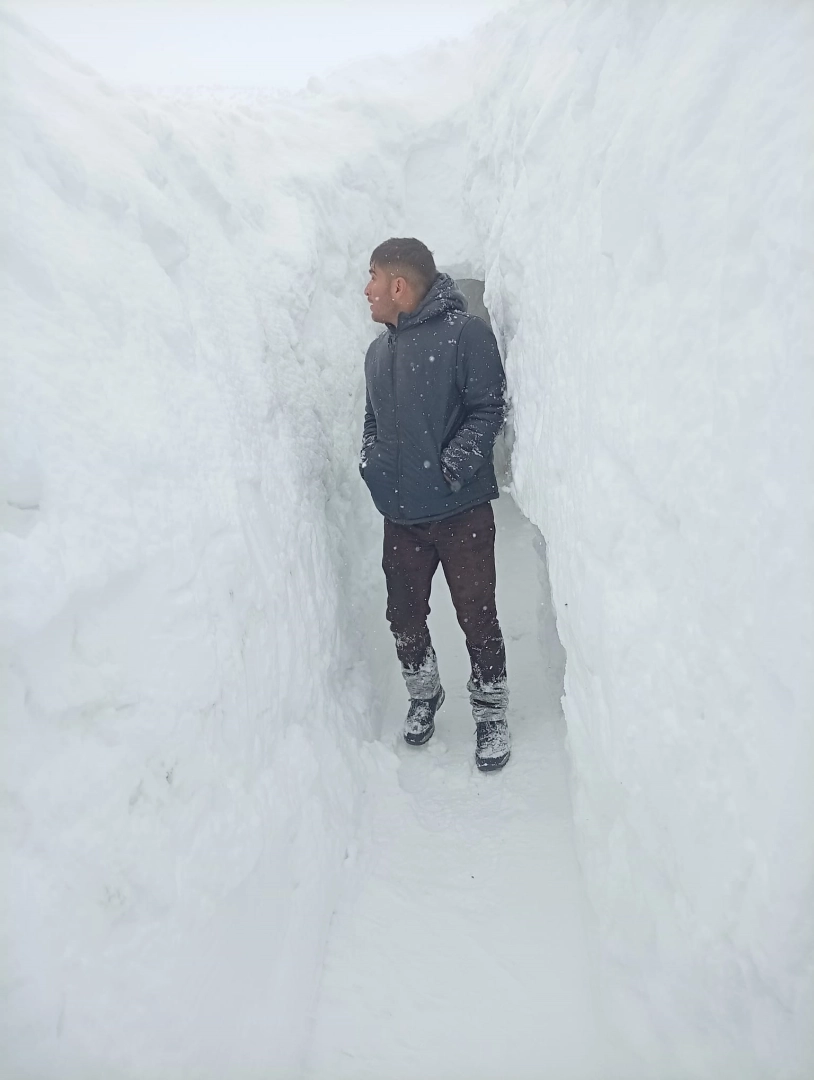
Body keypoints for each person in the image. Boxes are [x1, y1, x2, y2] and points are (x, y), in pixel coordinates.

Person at [359, 237, 510, 771]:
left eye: (373, 276)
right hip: (401, 517)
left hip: (461, 512)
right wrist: (372, 465)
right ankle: (424, 693)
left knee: (477, 616)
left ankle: (490, 712)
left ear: (399, 285)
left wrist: (450, 470)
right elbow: (373, 420)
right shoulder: (378, 352)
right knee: (402, 615)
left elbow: (488, 409)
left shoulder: (465, 335)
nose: (367, 289)